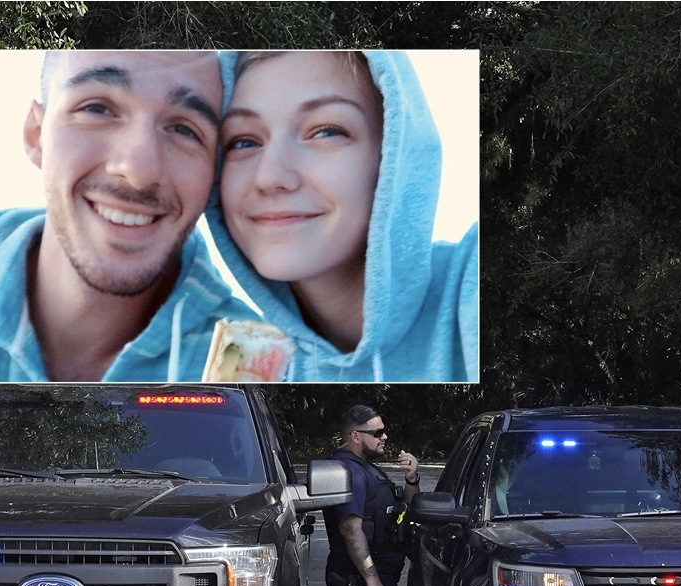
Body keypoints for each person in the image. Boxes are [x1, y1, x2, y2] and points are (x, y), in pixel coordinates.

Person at [0, 50, 257, 382]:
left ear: (215, 175)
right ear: (36, 134)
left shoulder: (253, 360)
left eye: (183, 129)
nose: (139, 170)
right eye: (97, 108)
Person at [205, 50, 479, 382]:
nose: (269, 176)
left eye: (326, 131)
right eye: (243, 141)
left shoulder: (476, 278)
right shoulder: (250, 362)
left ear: (394, 153)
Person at [322, 404, 421, 586]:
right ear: (355, 436)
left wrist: (411, 479)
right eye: (377, 433)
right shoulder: (349, 471)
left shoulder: (365, 467)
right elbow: (350, 530)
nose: (384, 437)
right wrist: (372, 579)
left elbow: (405, 513)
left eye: (384, 431)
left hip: (375, 580)